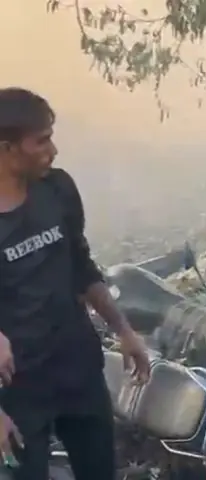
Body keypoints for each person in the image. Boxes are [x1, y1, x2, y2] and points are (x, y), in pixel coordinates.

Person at [0, 87, 151, 480]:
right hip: (19, 395)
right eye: (41, 141)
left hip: (78, 371)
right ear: (7, 149)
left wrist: (123, 330)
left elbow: (82, 267)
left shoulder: (58, 189)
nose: (52, 150)